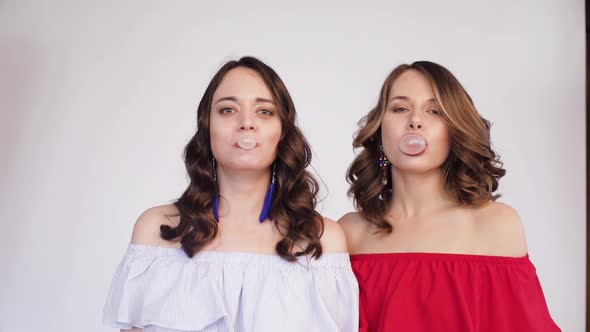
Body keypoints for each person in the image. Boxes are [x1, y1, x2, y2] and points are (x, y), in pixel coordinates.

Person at [103, 56, 359, 332]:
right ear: (207, 127)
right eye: (227, 110)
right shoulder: (156, 231)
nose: (246, 123)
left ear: (283, 132)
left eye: (264, 111)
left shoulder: (323, 240)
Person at [339, 61, 560, 332]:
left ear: (454, 131)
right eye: (400, 108)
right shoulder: (350, 232)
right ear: (380, 131)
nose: (415, 121)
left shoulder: (496, 224)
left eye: (434, 111)